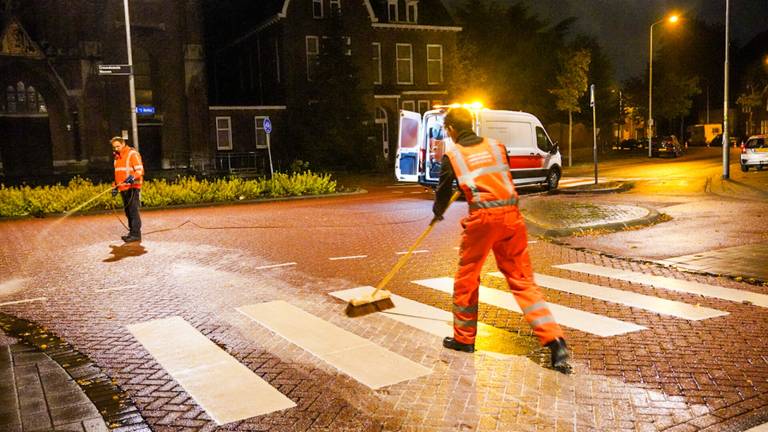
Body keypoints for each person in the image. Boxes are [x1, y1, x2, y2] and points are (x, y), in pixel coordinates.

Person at [432, 107, 572, 373]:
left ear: (451, 129)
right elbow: (498, 175)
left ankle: (464, 339)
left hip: (483, 221)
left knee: (467, 277)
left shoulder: (453, 156)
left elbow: (442, 193)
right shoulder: (498, 147)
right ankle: (555, 342)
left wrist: (438, 213)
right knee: (522, 280)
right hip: (512, 218)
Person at [111, 136, 144, 242]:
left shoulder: (132, 154)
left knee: (133, 211)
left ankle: (136, 235)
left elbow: (140, 170)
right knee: (128, 212)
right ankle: (132, 232)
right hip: (123, 188)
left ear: (123, 143)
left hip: (133, 187)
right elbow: (118, 174)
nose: (116, 149)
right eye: (114, 147)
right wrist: (115, 186)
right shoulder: (117, 157)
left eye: (118, 146)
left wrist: (132, 177)